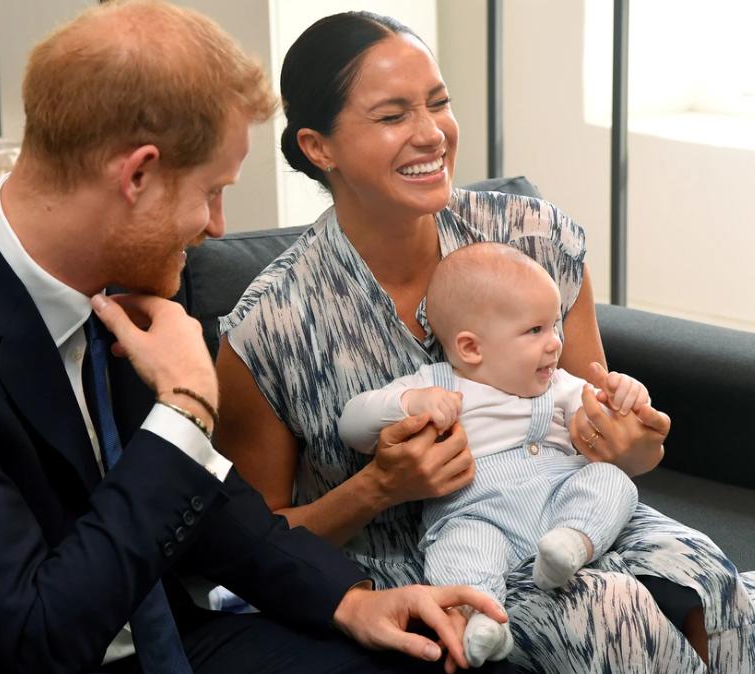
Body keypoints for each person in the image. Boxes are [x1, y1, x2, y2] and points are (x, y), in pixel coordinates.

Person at [0, 2, 513, 673]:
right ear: (137, 175)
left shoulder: (130, 267)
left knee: (450, 660)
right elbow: (40, 635)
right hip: (44, 650)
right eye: (211, 191)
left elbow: (213, 507)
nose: (216, 225)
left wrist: (351, 601)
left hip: (175, 639)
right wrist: (184, 412)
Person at [215, 10, 755, 673]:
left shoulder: (535, 239)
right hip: (433, 563)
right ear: (319, 146)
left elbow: (602, 422)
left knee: (719, 585)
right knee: (608, 611)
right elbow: (249, 544)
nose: (431, 133)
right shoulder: (268, 328)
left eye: (438, 103)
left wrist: (635, 443)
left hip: (574, 511)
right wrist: (378, 488)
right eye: (392, 116)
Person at [339, 242, 655, 666]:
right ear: (471, 348)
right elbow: (352, 425)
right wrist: (411, 403)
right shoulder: (436, 385)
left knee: (611, 481)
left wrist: (625, 396)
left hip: (559, 497)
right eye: (535, 331)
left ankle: (572, 545)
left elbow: (602, 416)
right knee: (458, 548)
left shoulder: (557, 384)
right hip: (476, 513)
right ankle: (484, 618)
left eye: (555, 327)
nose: (555, 344)